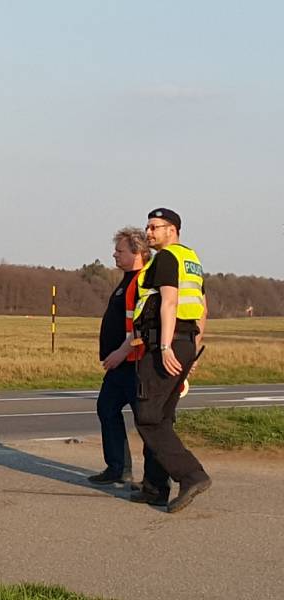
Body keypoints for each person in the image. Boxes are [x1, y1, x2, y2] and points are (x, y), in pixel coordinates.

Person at [131, 208, 210, 513]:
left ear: (172, 230)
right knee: (163, 417)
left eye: (155, 227)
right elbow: (201, 309)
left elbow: (170, 301)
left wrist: (165, 347)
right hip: (186, 341)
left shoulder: (166, 258)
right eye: (147, 226)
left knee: (148, 417)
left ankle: (192, 475)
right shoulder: (191, 259)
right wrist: (193, 347)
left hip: (166, 343)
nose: (149, 232)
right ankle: (155, 488)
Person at [88, 228, 150, 485]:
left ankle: (156, 479)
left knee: (147, 422)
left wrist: (121, 353)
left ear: (137, 252)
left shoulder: (143, 282)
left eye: (120, 250)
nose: (114, 254)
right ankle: (118, 468)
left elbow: (143, 326)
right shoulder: (126, 279)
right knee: (107, 408)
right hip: (119, 365)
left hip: (135, 363)